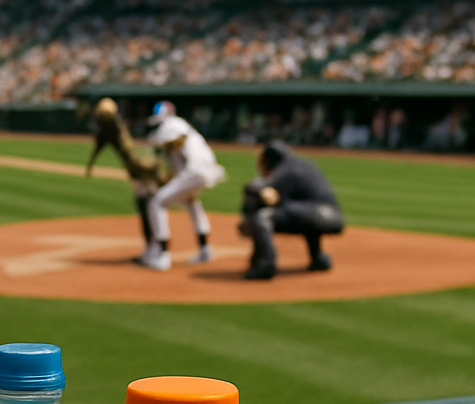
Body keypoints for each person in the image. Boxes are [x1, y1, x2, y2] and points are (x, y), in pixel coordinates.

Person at [240, 142, 344, 280]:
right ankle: (318, 258)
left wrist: (248, 196)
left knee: (262, 218)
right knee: (299, 211)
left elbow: (263, 192)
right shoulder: (304, 164)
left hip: (314, 215)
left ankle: (266, 265)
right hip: (334, 217)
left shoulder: (284, 169)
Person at [141, 109, 226, 272]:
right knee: (192, 203)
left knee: (157, 201)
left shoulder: (172, 124)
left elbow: (166, 144)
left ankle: (162, 254)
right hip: (208, 170)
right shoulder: (184, 128)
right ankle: (205, 249)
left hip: (194, 171)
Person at [84, 97, 163, 258]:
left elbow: (102, 139)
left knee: (148, 205)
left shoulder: (113, 126)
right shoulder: (112, 127)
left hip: (139, 169)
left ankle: (156, 248)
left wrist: (90, 165)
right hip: (137, 170)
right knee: (146, 204)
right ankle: (153, 247)